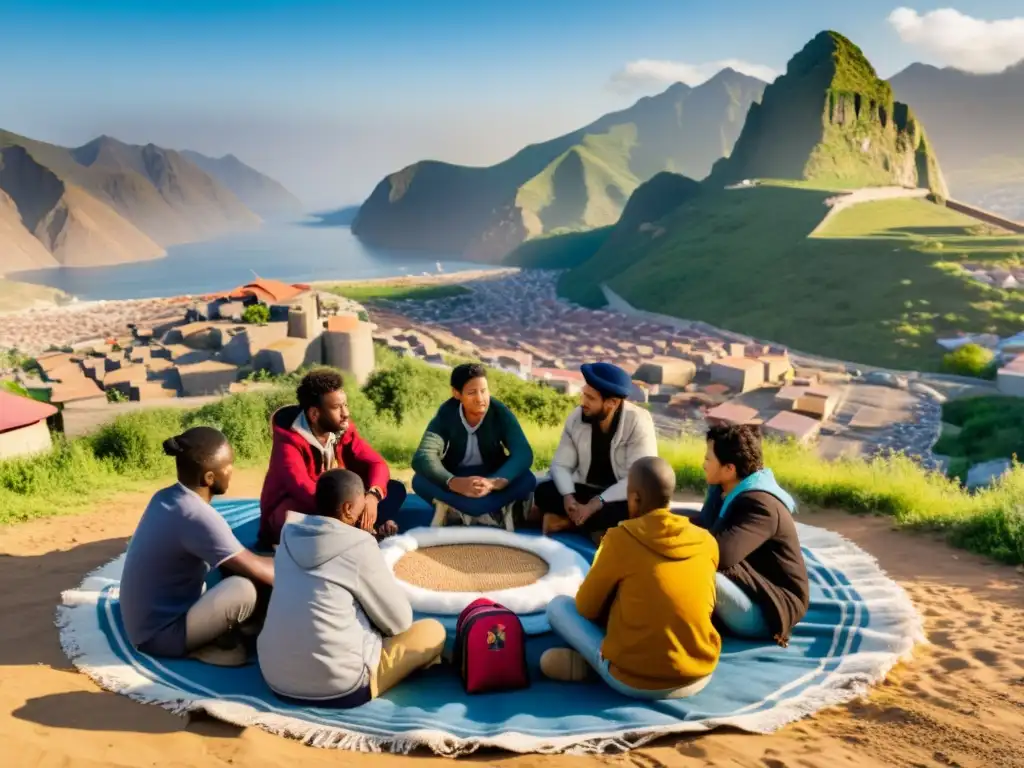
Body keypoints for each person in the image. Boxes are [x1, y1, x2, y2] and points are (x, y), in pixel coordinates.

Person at [258, 469, 446, 706]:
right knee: (432, 631)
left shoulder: (289, 532)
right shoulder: (359, 544)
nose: (367, 514)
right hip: (342, 686)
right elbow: (399, 622)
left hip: (275, 677)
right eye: (363, 507)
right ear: (348, 509)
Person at [541, 456, 721, 698]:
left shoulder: (620, 539)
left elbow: (585, 608)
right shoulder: (706, 540)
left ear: (634, 497)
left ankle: (596, 666)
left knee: (558, 608)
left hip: (633, 681)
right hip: (698, 675)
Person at [120, 427, 274, 666]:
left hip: (142, 622)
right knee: (244, 589)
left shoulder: (166, 497)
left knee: (230, 564)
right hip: (158, 636)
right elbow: (259, 570)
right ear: (209, 478)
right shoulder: (197, 517)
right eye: (228, 465)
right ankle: (201, 646)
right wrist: (298, 568)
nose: (232, 470)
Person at [258, 368, 408, 549]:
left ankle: (362, 530)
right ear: (314, 414)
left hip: (342, 507)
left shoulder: (342, 430)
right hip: (306, 509)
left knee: (394, 489)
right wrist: (356, 511)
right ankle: (366, 530)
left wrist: (372, 496)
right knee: (291, 516)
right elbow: (305, 491)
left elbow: (376, 463)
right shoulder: (288, 442)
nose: (345, 413)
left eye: (345, 405)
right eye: (337, 407)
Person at [694, 423, 810, 646]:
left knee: (695, 568)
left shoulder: (761, 506)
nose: (703, 464)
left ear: (729, 469)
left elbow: (720, 556)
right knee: (681, 522)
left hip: (767, 609)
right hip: (750, 585)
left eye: (709, 460)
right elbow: (705, 523)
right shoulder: (728, 489)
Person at [533, 361, 658, 539]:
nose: (583, 402)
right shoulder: (577, 417)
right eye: (584, 395)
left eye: (590, 398)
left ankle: (566, 522)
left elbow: (637, 479)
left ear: (612, 403)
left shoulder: (639, 422)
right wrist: (568, 496)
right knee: (544, 492)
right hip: (584, 490)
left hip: (617, 496)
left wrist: (596, 503)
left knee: (640, 506)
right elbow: (560, 465)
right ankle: (593, 527)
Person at [411, 363, 536, 529]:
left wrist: (494, 482)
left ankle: (459, 510)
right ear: (457, 393)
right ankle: (490, 512)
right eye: (472, 393)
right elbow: (423, 456)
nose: (480, 398)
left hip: (492, 476)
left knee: (527, 479)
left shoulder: (500, 412)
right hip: (457, 476)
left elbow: (523, 453)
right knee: (419, 480)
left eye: (484, 391)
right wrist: (453, 482)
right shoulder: (447, 413)